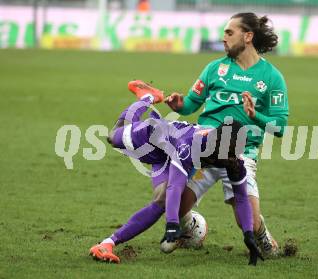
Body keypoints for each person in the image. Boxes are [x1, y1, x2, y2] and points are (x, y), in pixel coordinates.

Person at [89, 80, 263, 265]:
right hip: (153, 138)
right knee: (112, 135)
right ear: (216, 143)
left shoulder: (233, 159)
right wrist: (172, 224)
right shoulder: (190, 145)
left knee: (161, 201)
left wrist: (248, 234)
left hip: (168, 156)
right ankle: (147, 97)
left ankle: (108, 243)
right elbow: (175, 186)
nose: (231, 158)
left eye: (234, 153)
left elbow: (242, 198)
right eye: (228, 152)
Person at [165, 12, 289, 257]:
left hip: (240, 154)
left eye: (229, 33)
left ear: (248, 36)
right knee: (172, 202)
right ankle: (192, 228)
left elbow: (280, 127)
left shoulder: (272, 78)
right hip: (206, 149)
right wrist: (180, 105)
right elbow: (192, 103)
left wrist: (256, 116)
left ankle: (262, 234)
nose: (223, 38)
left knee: (250, 226)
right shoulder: (215, 68)